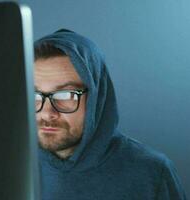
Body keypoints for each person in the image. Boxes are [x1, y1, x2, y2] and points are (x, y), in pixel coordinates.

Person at [34, 29, 187, 200]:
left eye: (65, 95)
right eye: (35, 95)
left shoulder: (151, 173)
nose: (47, 113)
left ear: (97, 97)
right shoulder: (9, 165)